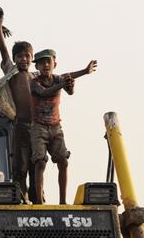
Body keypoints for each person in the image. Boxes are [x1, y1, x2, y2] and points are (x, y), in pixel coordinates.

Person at [30, 49, 97, 204]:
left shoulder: (58, 79)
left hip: (55, 127)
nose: (46, 65)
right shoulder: (34, 82)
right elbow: (45, 92)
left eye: (49, 62)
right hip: (38, 127)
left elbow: (70, 89)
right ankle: (39, 202)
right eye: (42, 63)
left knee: (63, 162)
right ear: (37, 67)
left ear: (55, 64)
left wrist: (76, 79)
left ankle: (62, 201)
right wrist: (62, 84)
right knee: (40, 162)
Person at [0, 15, 37, 204]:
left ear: (32, 58)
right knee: (20, 166)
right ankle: (21, 198)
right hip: (19, 125)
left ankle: (37, 198)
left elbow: (56, 81)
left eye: (27, 56)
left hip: (36, 127)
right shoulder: (11, 71)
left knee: (37, 164)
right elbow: (3, 51)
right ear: (15, 59)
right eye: (20, 56)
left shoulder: (36, 77)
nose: (23, 59)